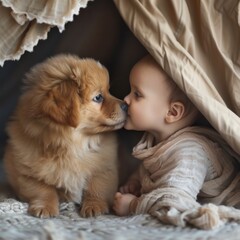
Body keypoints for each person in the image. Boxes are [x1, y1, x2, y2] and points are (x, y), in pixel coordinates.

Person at [113, 55, 240, 225]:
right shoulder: (156, 139)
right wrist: (135, 181)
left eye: (137, 94)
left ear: (172, 113)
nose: (126, 99)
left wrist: (133, 205)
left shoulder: (189, 152)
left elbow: (175, 203)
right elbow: (152, 166)